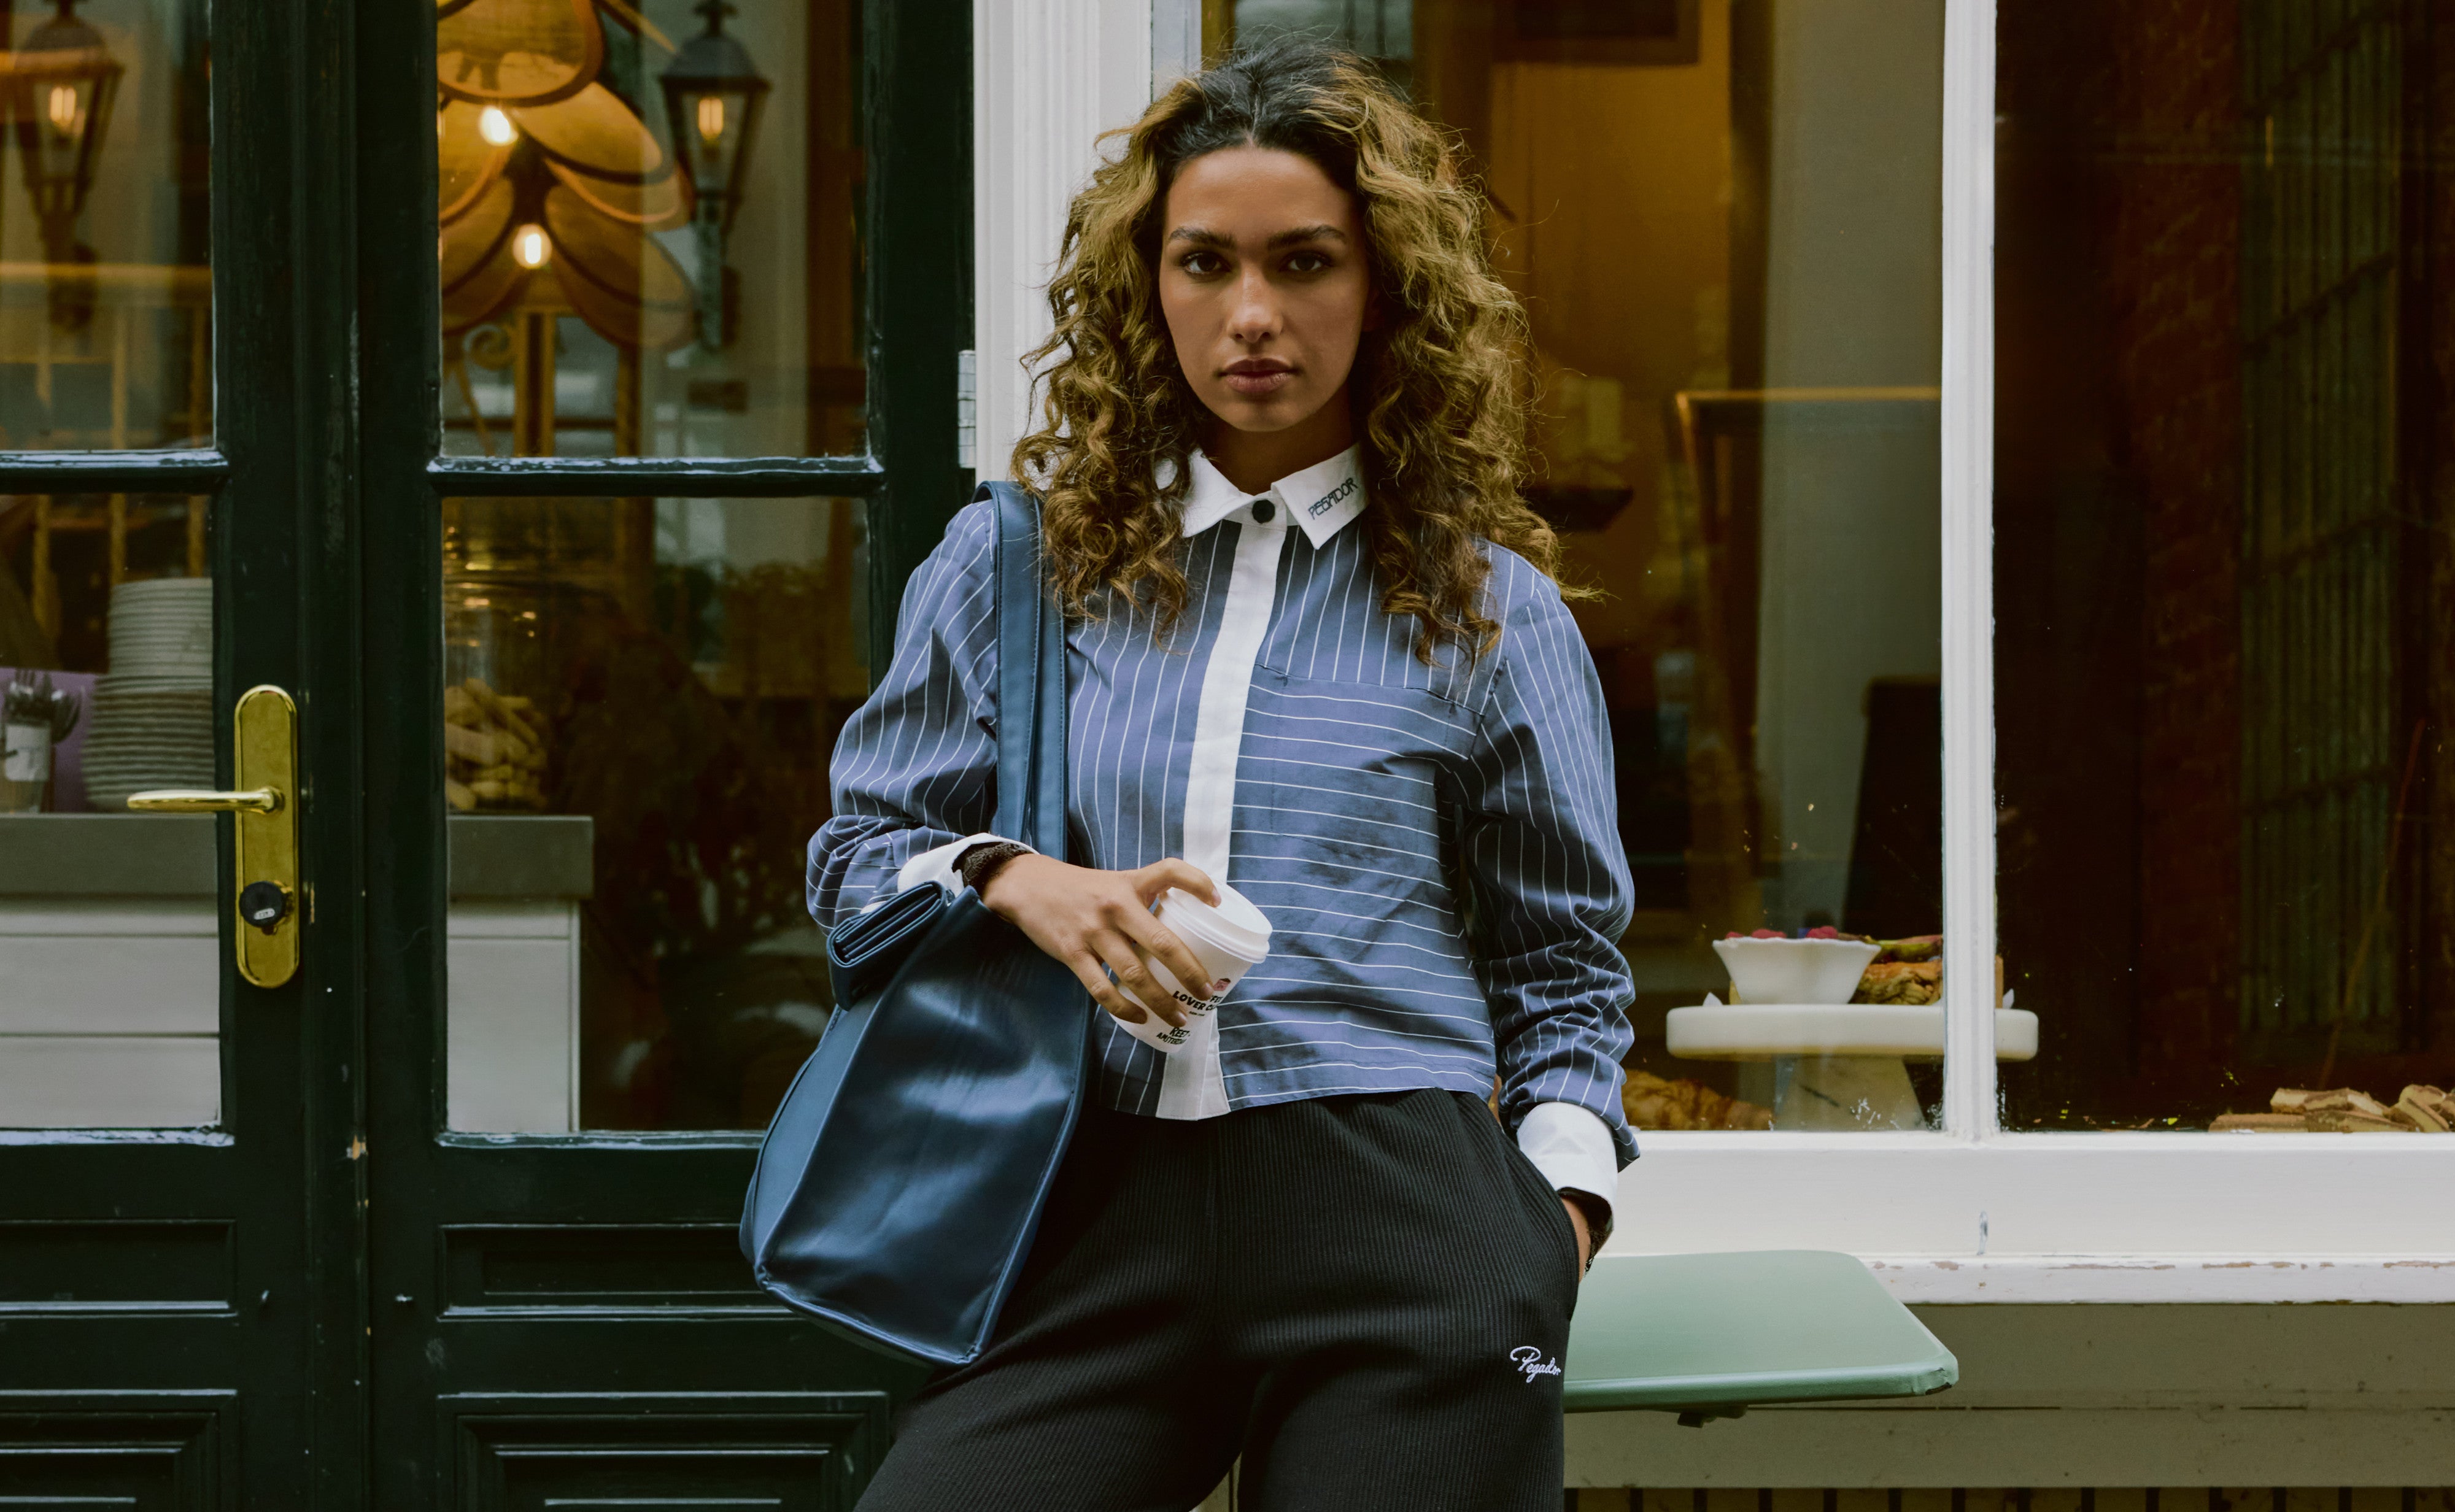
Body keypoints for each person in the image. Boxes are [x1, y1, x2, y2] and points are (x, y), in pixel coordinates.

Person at [809, 37, 1636, 1511]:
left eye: (1303, 261)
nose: (1252, 314)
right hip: (1091, 1204)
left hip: (1405, 1217)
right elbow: (854, 860)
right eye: (1204, 263)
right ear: (1149, 287)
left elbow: (1562, 969)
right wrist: (1019, 878)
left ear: (1382, 288)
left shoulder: (1489, 609)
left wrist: (1552, 1218)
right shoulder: (1012, 568)